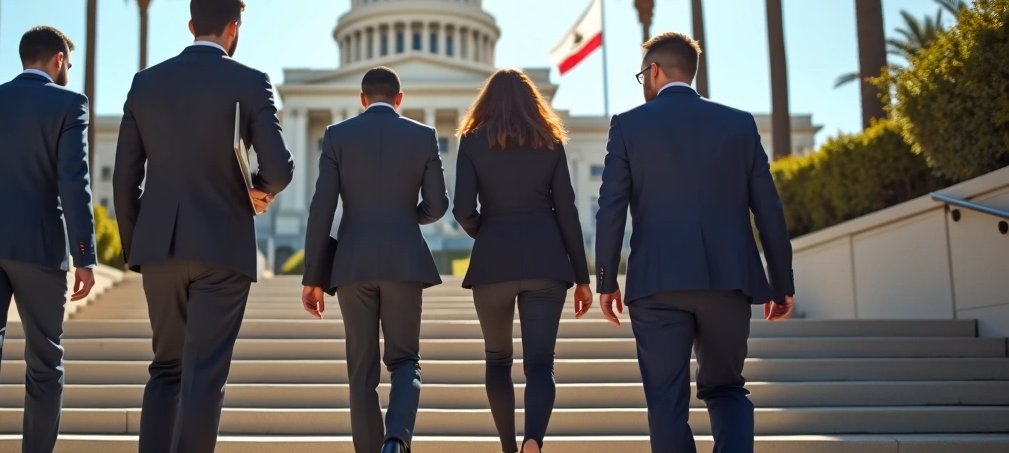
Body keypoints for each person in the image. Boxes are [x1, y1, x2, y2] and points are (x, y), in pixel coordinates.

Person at [112, 0, 294, 453]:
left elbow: (124, 180)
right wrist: (257, 188)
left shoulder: (145, 83)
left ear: (191, 27)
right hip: (223, 245)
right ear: (234, 29)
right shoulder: (251, 82)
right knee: (203, 377)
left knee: (165, 370)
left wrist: (138, 249)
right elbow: (280, 168)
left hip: (160, 248)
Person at [595, 32, 795, 453]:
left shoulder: (628, 125)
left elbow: (611, 208)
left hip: (657, 283)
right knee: (727, 389)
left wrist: (606, 280)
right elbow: (769, 210)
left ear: (654, 71)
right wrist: (782, 283)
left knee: (666, 403)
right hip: (729, 280)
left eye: (641, 75)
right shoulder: (739, 123)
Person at [0, 26, 97, 453]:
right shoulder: (69, 103)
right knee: (45, 363)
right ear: (59, 60)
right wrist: (84, 255)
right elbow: (73, 182)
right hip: (38, 247)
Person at [301, 66, 448, 453]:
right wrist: (405, 216)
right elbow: (437, 205)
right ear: (400, 100)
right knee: (405, 361)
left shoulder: (337, 136)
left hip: (352, 265)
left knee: (361, 372)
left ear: (362, 99)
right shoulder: (424, 136)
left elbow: (322, 209)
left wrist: (313, 275)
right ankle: (396, 441)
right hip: (404, 261)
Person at [452, 68, 593, 453]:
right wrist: (582, 278)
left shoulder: (471, 141)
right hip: (546, 262)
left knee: (497, 360)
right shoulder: (550, 141)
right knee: (540, 365)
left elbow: (463, 209)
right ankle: (534, 440)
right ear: (533, 102)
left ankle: (509, 447)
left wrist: (488, 232)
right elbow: (567, 211)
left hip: (492, 264)